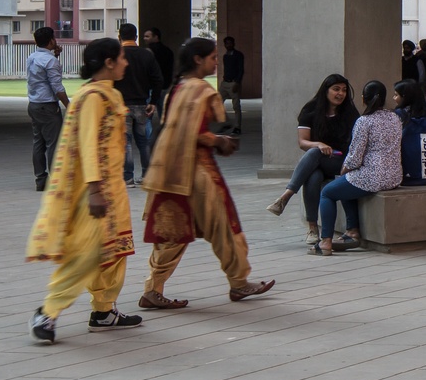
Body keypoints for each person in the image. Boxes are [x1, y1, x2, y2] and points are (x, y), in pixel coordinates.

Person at [136, 37, 274, 309]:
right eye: (212, 56)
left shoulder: (177, 88)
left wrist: (213, 137)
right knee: (223, 224)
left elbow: (179, 130)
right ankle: (238, 282)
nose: (216, 61)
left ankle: (152, 290)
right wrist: (218, 140)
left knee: (173, 232)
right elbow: (195, 131)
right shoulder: (201, 89)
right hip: (197, 171)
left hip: (169, 172)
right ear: (198, 60)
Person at [25, 36, 142, 345]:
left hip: (112, 188)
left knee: (115, 251)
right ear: (108, 62)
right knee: (87, 253)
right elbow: (89, 146)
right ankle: (47, 313)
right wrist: (94, 190)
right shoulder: (93, 97)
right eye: (122, 58)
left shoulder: (110, 95)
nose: (126, 62)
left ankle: (104, 312)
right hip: (96, 190)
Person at [311, 80, 403, 255]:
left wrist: (343, 169)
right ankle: (352, 231)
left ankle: (325, 242)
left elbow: (354, 158)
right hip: (394, 176)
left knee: (328, 192)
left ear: (363, 99)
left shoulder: (364, 121)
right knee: (347, 182)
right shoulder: (395, 118)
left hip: (373, 177)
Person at [265, 73, 358, 237]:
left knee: (314, 153)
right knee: (313, 175)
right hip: (319, 160)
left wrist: (318, 148)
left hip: (341, 161)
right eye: (336, 89)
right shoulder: (310, 110)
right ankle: (313, 228)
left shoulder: (350, 112)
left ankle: (286, 196)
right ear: (326, 90)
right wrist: (319, 144)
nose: (340, 94)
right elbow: (303, 142)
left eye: (343, 90)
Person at [116, 23, 165, 182]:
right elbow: (158, 79)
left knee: (126, 142)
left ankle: (128, 177)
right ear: (136, 37)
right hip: (141, 103)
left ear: (119, 37)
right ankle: (147, 174)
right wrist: (153, 101)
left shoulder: (117, 55)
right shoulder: (147, 54)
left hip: (122, 105)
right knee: (143, 141)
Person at [27, 27, 69, 192]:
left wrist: (55, 55)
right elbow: (56, 86)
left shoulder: (32, 57)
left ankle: (40, 178)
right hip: (48, 105)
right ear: (52, 40)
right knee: (54, 143)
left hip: (34, 104)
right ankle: (56, 180)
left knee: (39, 142)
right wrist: (68, 104)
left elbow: (41, 74)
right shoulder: (51, 61)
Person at [394, 78, 426, 186]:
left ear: (404, 97)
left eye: (396, 95)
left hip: (403, 176)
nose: (394, 98)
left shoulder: (397, 116)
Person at [218, 36, 245, 134]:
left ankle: (237, 127)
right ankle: (226, 123)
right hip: (225, 83)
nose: (229, 45)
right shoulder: (225, 56)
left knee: (236, 106)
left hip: (234, 82)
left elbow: (241, 70)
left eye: (230, 43)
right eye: (227, 44)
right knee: (217, 102)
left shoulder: (238, 55)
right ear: (224, 45)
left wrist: (237, 83)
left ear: (234, 44)